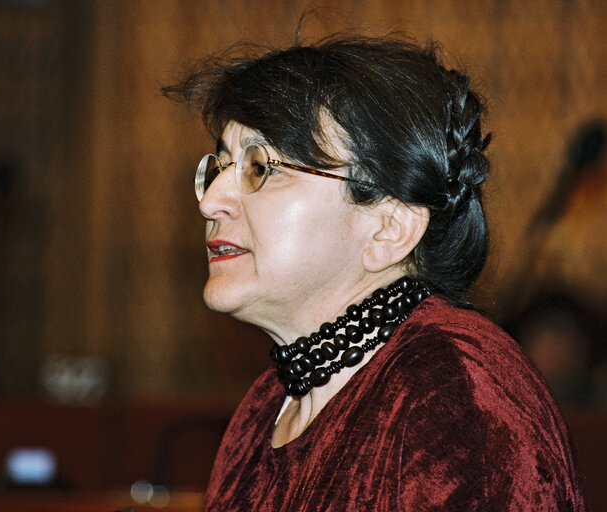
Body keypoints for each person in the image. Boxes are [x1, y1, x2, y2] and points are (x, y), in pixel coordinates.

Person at [164, 33, 587, 511]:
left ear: (388, 229)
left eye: (262, 167)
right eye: (220, 165)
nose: (210, 200)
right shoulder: (265, 406)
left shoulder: (453, 391)